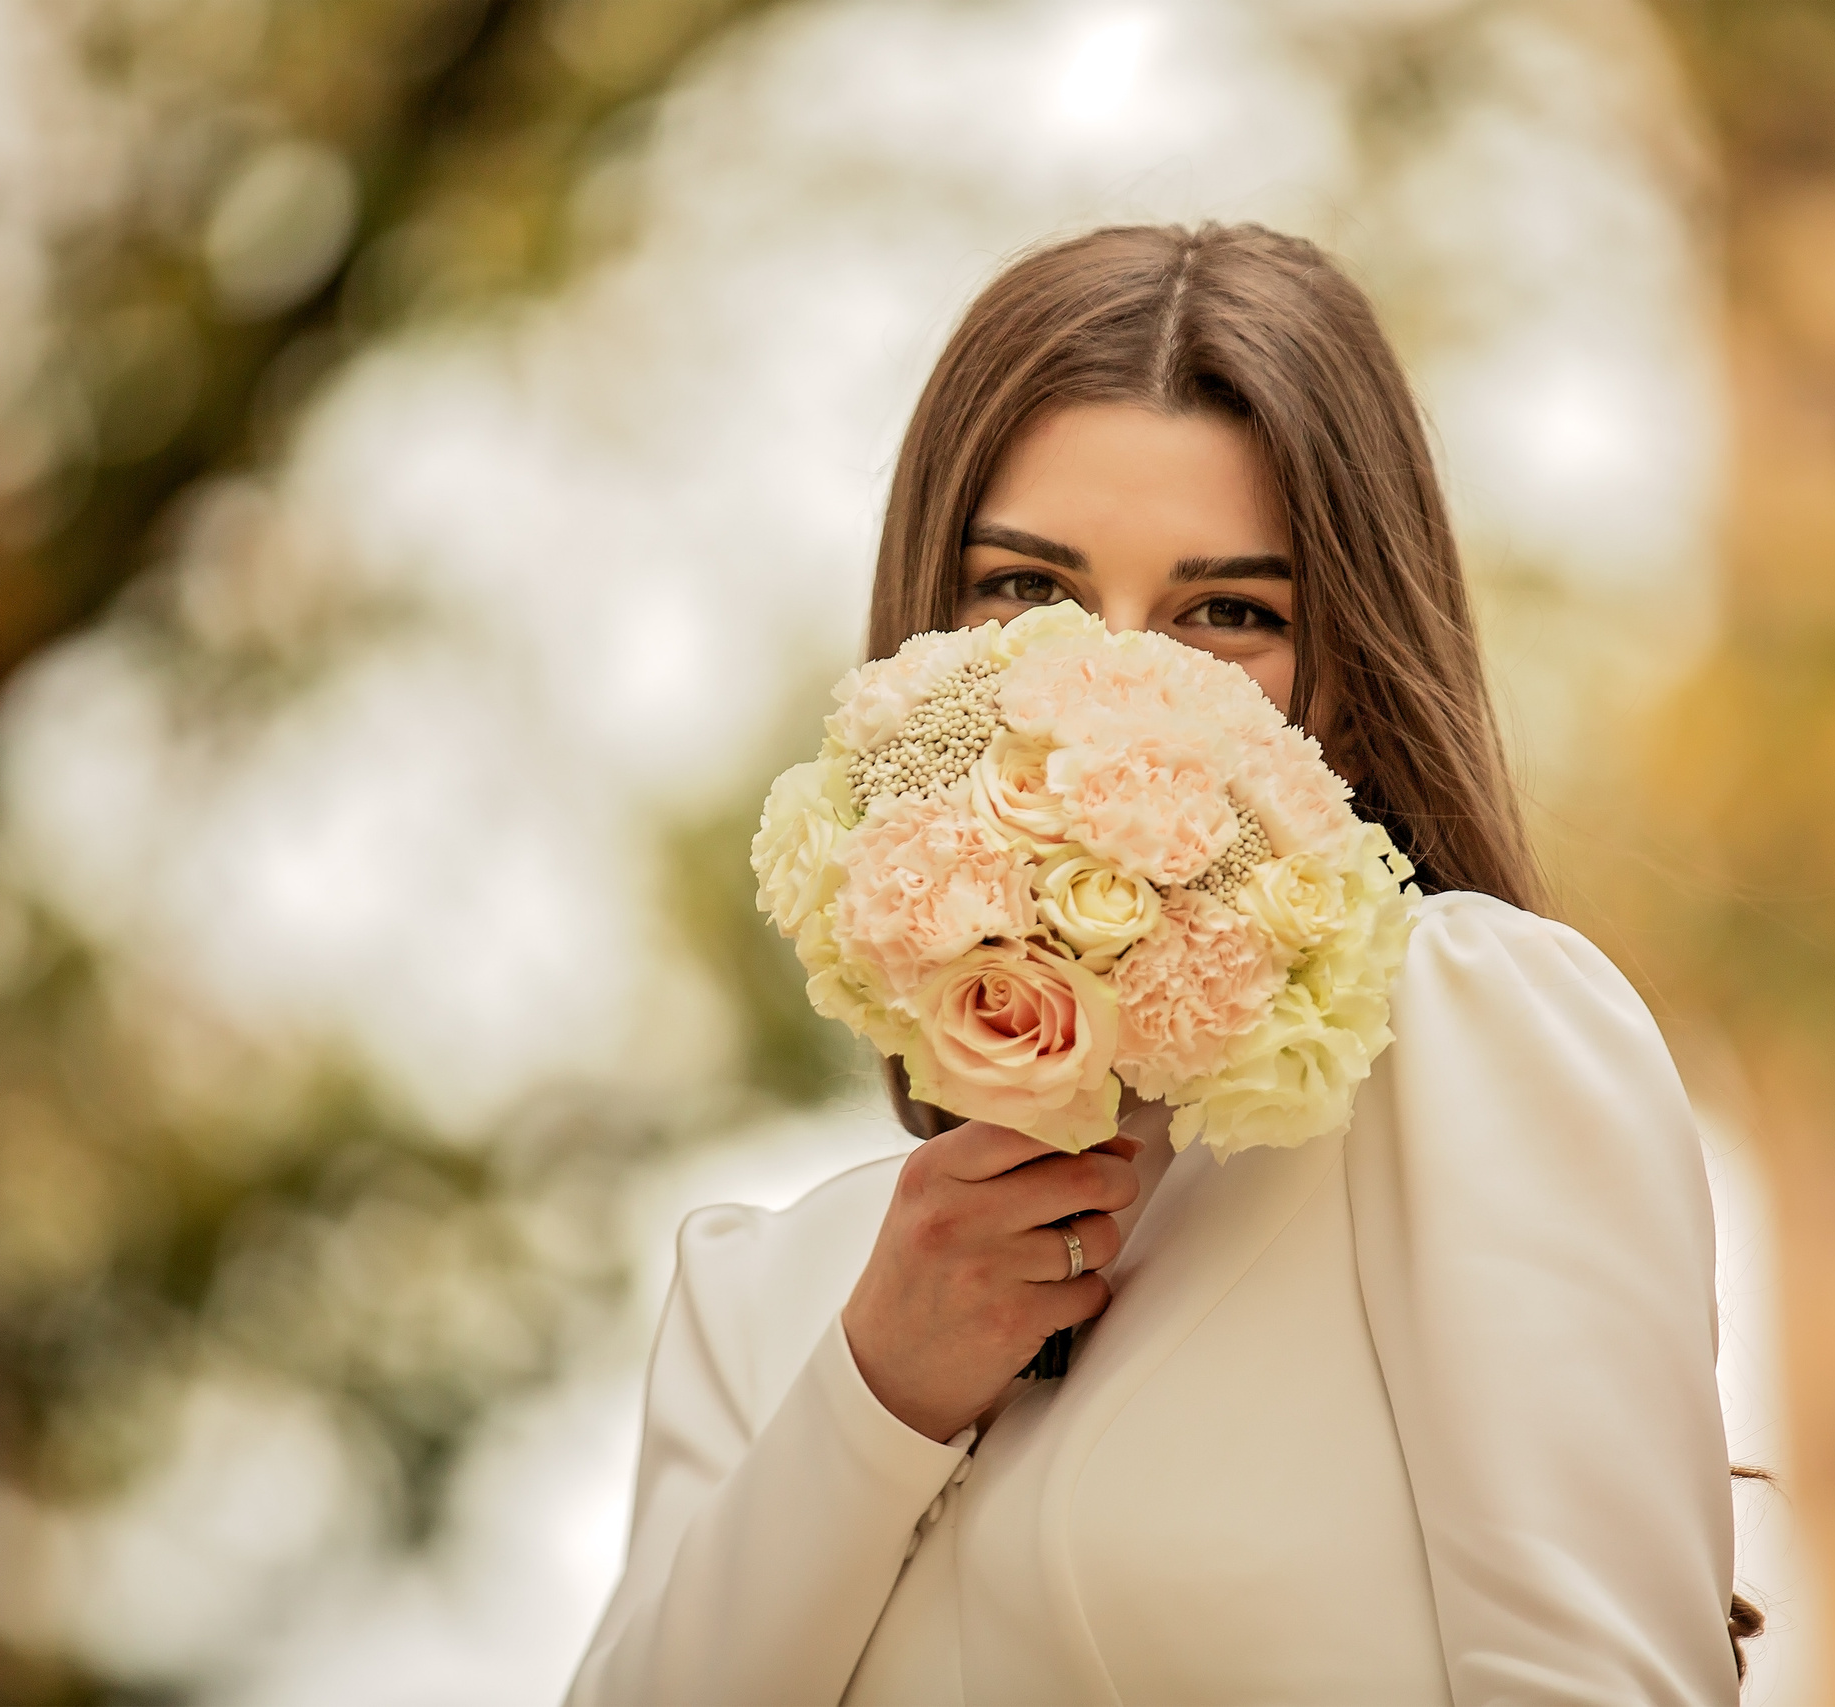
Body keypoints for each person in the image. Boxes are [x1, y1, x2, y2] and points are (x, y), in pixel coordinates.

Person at [569, 222, 1747, 1705]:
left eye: (1229, 616)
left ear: (1354, 693)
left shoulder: (1463, 1038)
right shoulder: (768, 1300)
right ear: (917, 651)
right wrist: (878, 1397)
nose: (1107, 687)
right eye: (1025, 596)